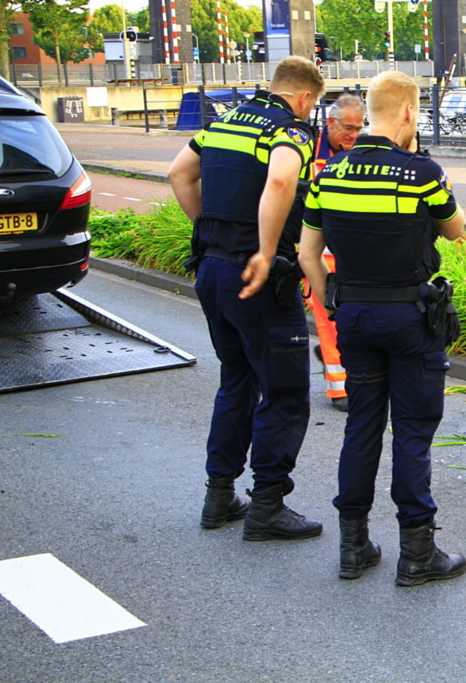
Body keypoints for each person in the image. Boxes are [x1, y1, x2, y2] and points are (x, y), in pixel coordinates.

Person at [299, 70, 466, 586]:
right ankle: (417, 553)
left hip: (354, 316)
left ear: (368, 112)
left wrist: (336, 302)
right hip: (411, 321)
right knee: (412, 434)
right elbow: (457, 231)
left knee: (362, 426)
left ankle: (354, 547)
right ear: (411, 114)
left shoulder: (329, 175)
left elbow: (308, 253)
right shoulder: (423, 173)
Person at [168, 56, 325, 542]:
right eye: (313, 104)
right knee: (283, 390)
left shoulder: (223, 122)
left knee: (236, 380)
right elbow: (281, 180)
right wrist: (261, 250)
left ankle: (219, 496)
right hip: (257, 278)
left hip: (212, 269)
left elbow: (179, 174)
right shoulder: (290, 129)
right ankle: (268, 506)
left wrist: (207, 233)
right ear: (304, 98)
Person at [307, 95, 366, 411]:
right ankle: (339, 389)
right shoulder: (305, 153)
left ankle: (343, 375)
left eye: (358, 128)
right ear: (330, 122)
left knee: (340, 321)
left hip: (348, 255)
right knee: (329, 320)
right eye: (347, 128)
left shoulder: (359, 154)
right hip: (317, 255)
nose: (353, 135)